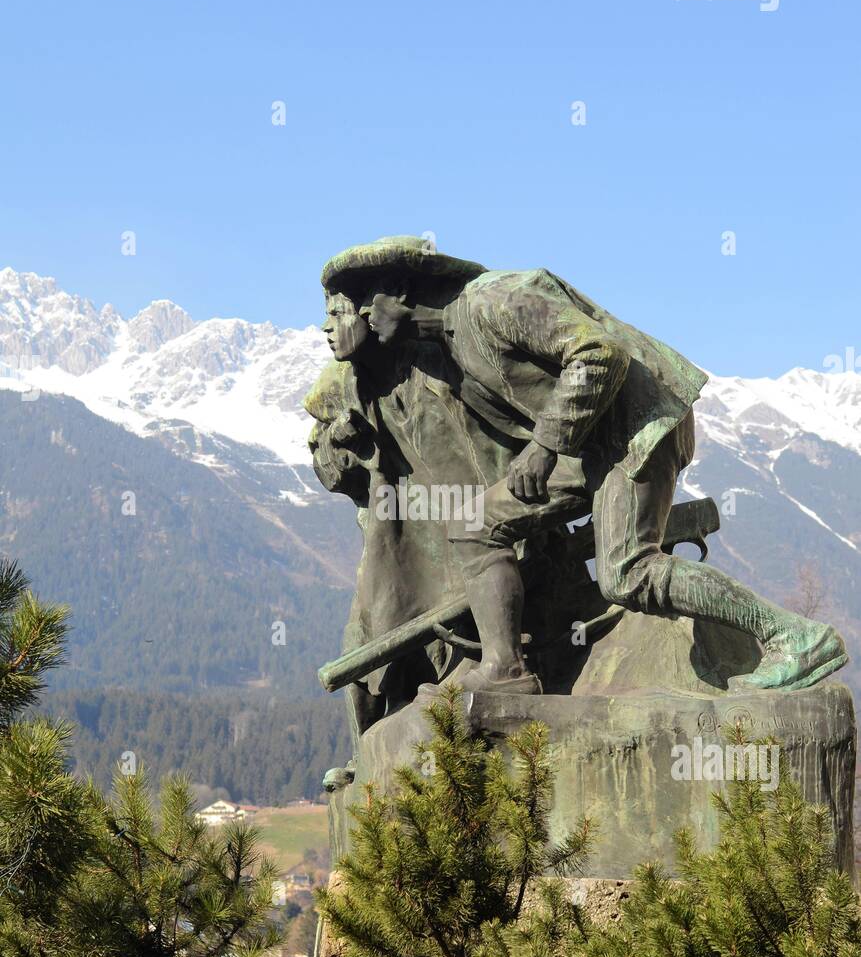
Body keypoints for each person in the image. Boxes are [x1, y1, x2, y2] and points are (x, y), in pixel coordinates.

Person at [318, 236, 848, 695]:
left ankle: (795, 636)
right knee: (477, 526)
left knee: (627, 573)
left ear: (401, 292)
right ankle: (505, 671)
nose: (344, 319)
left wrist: (545, 446)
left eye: (355, 303)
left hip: (637, 425)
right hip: (585, 445)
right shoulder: (447, 349)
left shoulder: (495, 301)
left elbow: (600, 355)